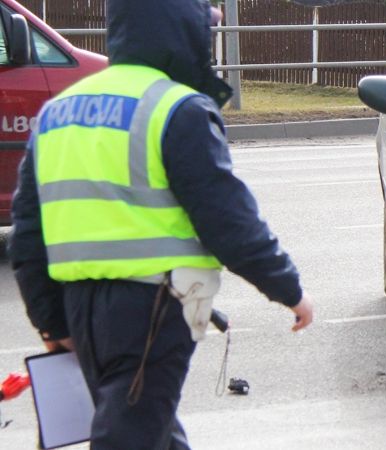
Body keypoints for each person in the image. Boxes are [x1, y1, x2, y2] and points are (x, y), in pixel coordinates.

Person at [8, 0, 313, 448]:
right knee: (132, 433)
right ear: (179, 33)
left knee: (149, 428)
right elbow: (227, 219)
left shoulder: (59, 110)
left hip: (80, 307)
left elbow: (27, 235)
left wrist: (52, 324)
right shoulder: (177, 108)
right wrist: (289, 289)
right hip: (157, 306)